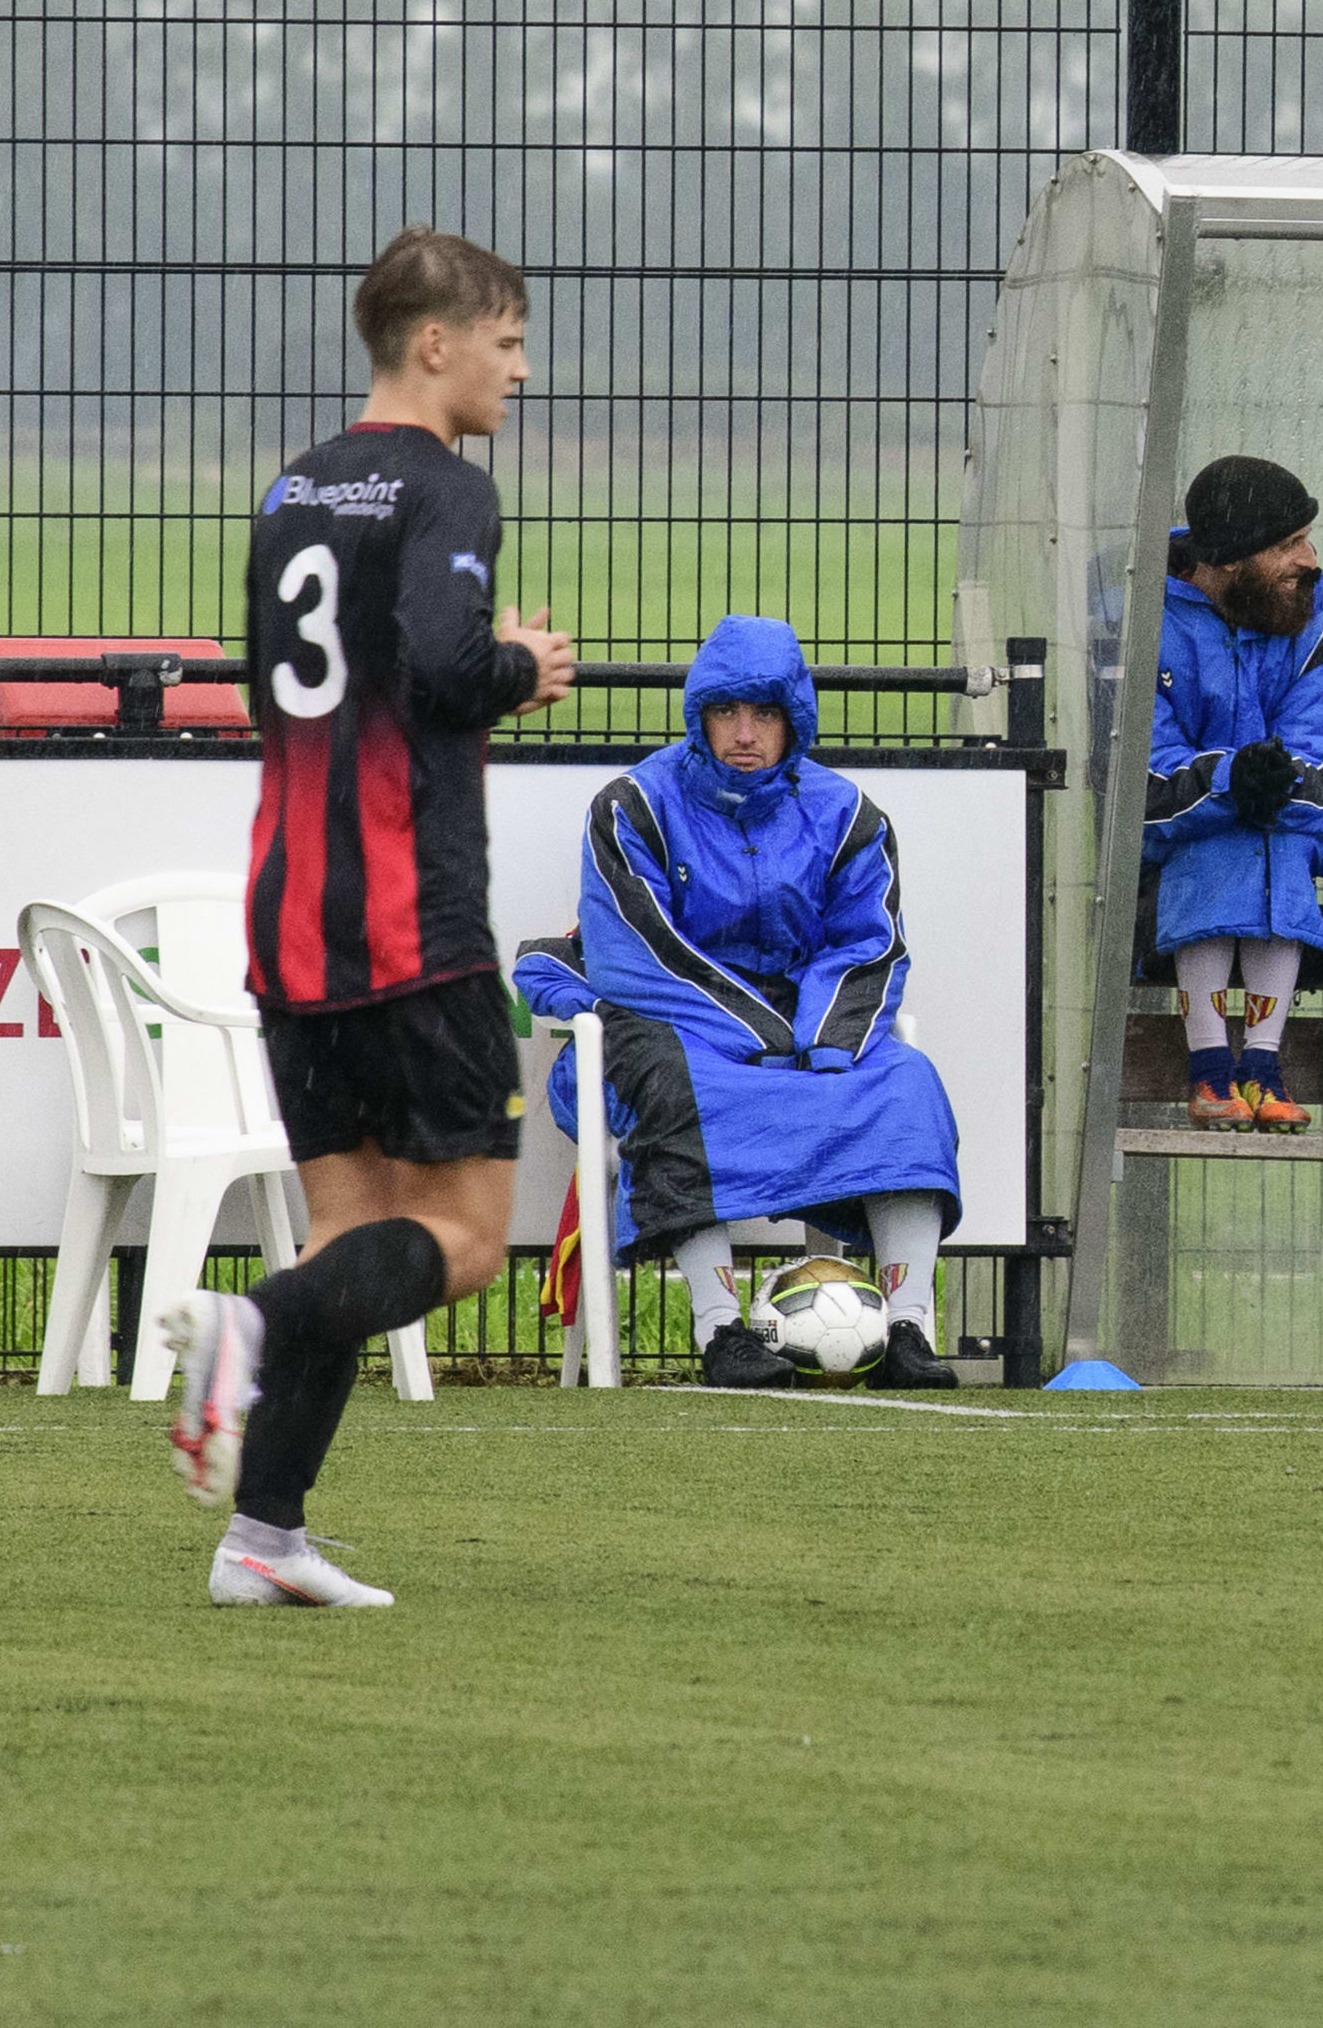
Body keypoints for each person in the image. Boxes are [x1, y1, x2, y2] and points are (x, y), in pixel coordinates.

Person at [164, 225, 580, 1607]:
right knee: (465, 1244)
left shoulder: (295, 487)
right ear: (436, 345)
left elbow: (277, 681)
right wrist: (519, 662)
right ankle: (248, 1329)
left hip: (291, 910)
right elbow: (447, 670)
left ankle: (261, 1537)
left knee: (354, 1240)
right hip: (413, 916)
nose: (522, 370)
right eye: (509, 342)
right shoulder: (448, 489)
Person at [512, 616, 969, 1392]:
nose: (745, 734)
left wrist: (819, 1045)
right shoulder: (631, 805)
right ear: (700, 717)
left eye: (765, 714)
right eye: (727, 713)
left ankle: (908, 1328)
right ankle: (720, 1331)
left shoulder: (849, 814)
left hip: (805, 1031)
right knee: (676, 1084)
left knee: (906, 1084)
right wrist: (763, 1036)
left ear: (796, 719)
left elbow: (869, 944)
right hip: (657, 1027)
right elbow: (635, 953)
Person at [1146, 455, 1323, 1130]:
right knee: (1209, 848)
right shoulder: (1146, 624)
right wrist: (1230, 782)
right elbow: (1141, 783)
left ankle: (1257, 1071)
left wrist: (1263, 783)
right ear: (1234, 559)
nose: (1311, 559)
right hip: (1167, 862)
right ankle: (1215, 1072)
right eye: (1289, 544)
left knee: (1281, 849)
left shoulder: (1322, 630)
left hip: (1285, 837)